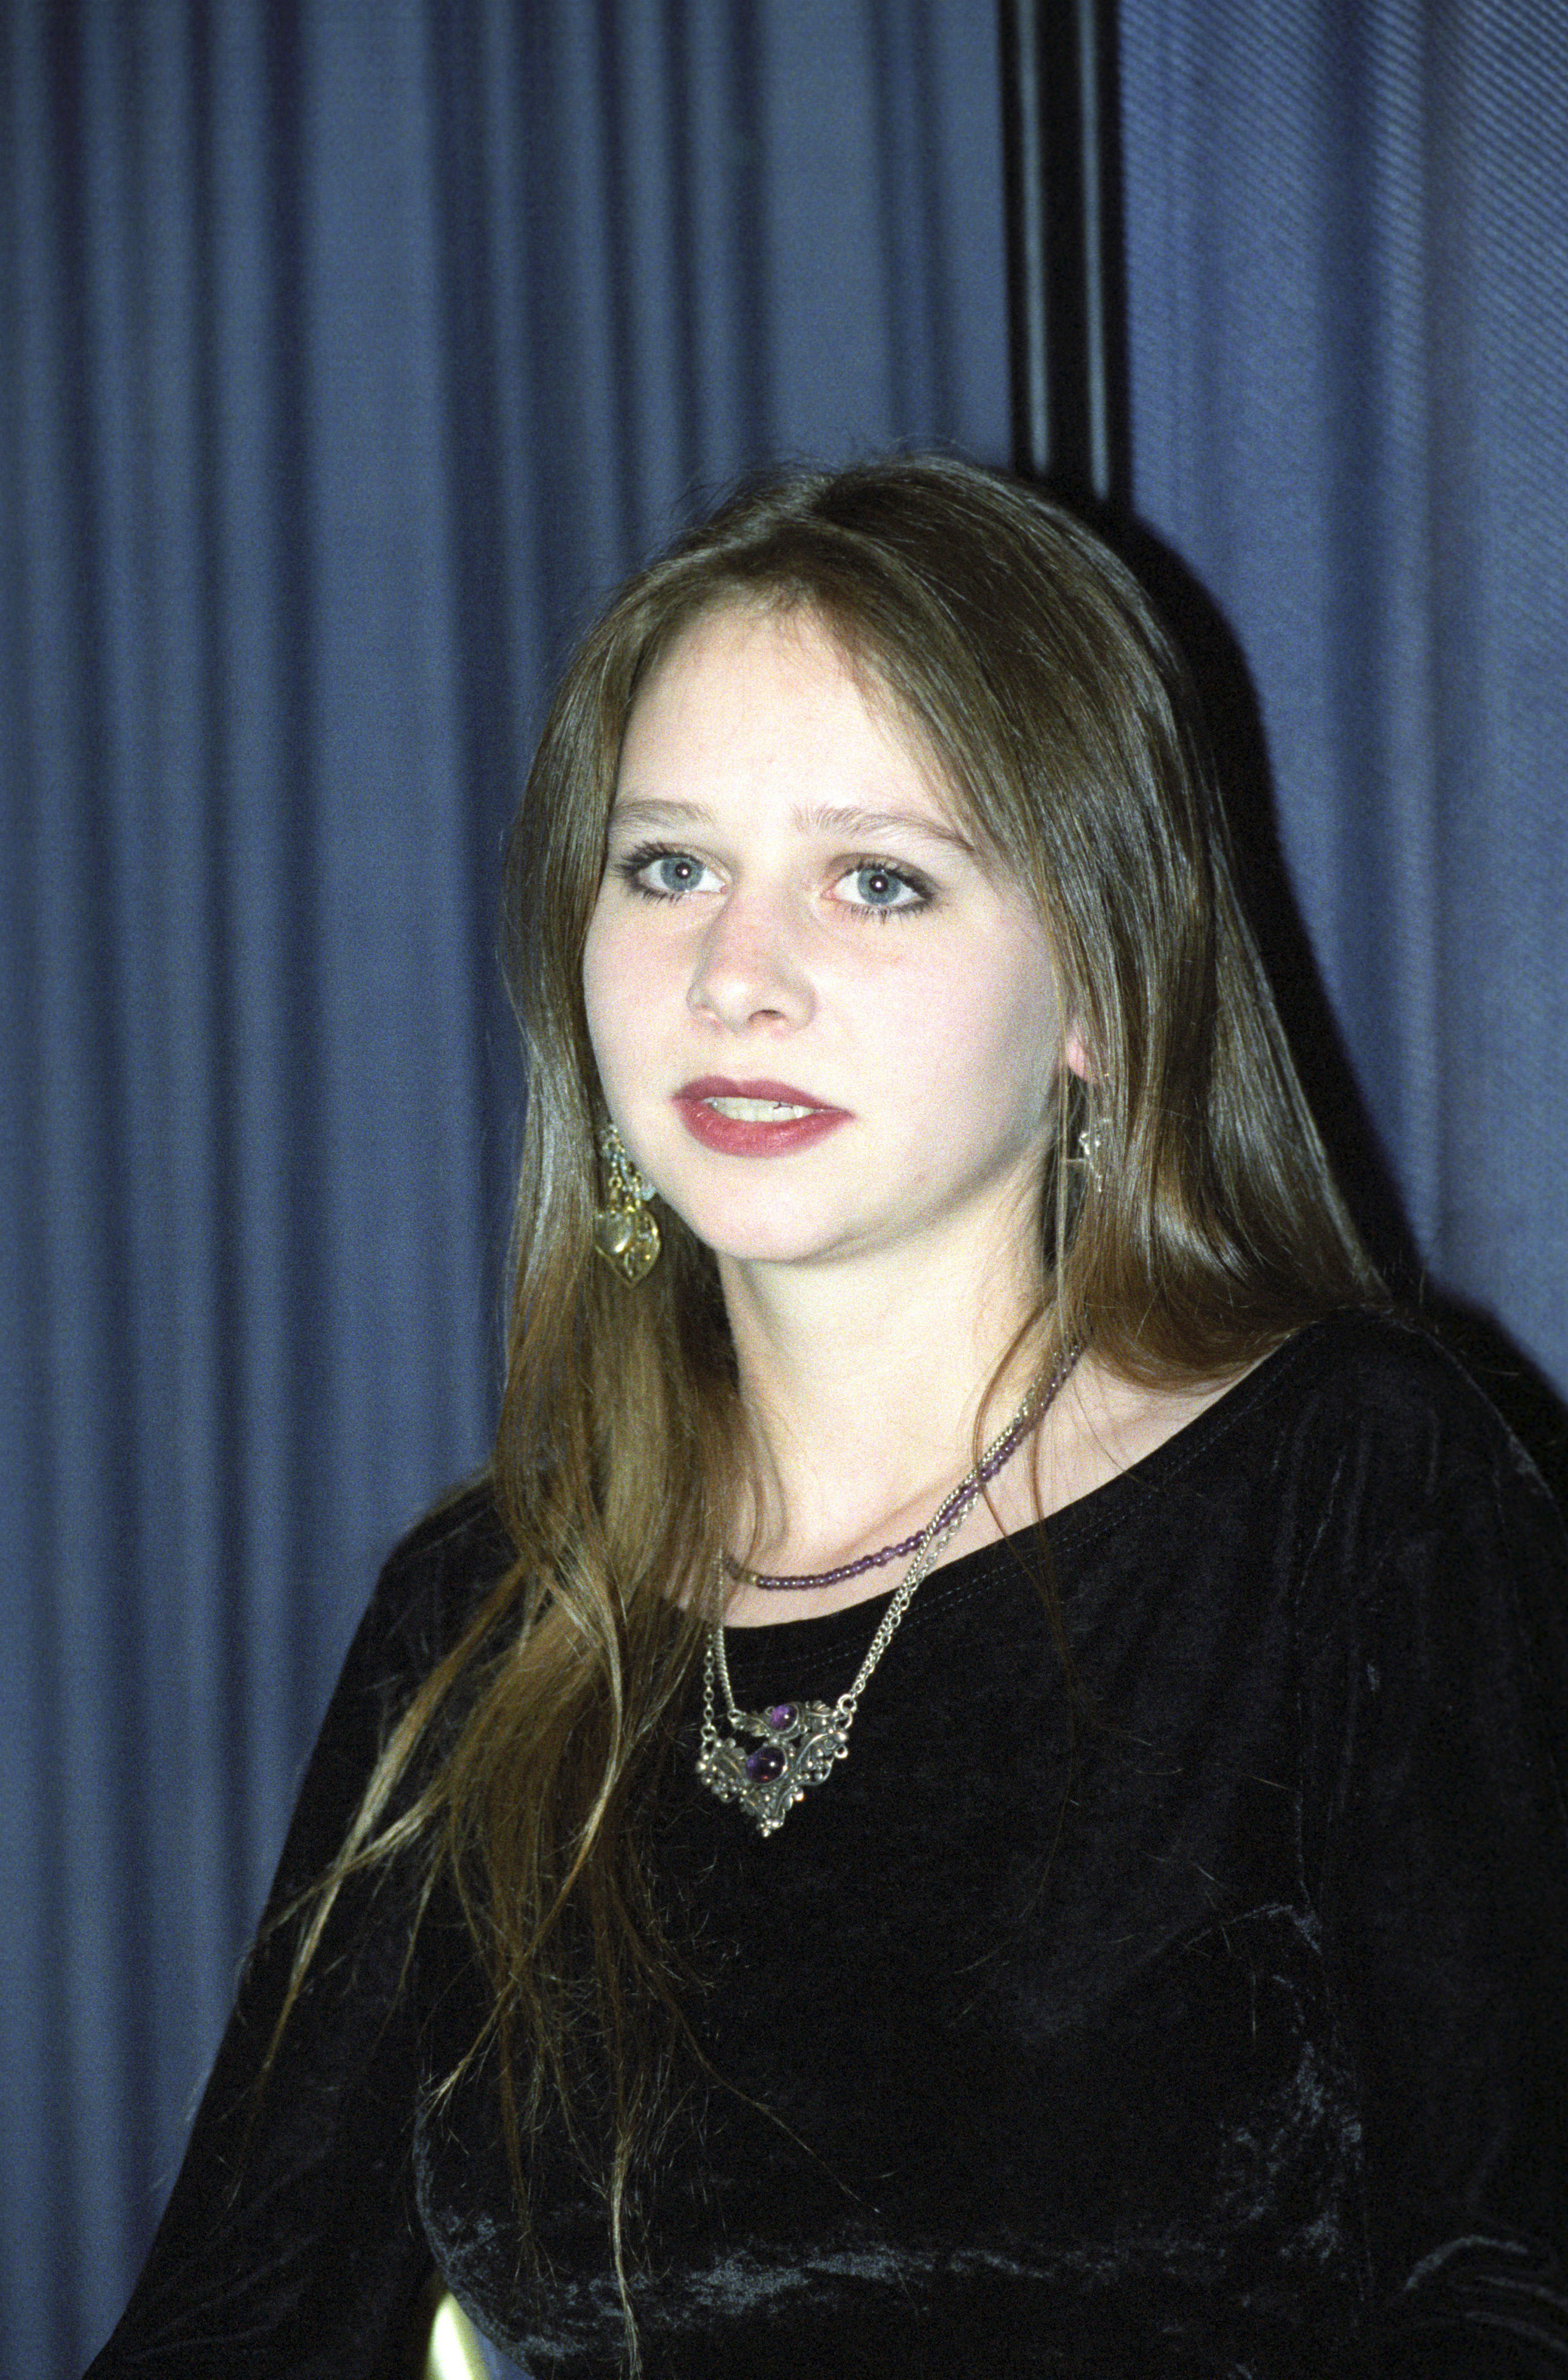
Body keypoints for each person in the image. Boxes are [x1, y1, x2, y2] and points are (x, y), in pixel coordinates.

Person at [88, 457, 1568, 2379]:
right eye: (668, 865)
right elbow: (240, 2328)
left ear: (1097, 997)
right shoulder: (481, 1615)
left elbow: (1518, 2289)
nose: (735, 977)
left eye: (878, 879)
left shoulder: (1356, 1486)